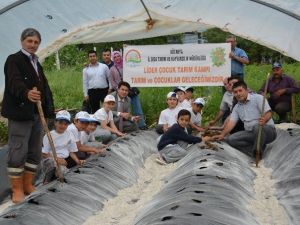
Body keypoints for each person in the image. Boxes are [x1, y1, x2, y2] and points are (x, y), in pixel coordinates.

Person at [1, 28, 54, 203]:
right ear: (22, 41)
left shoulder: (37, 63)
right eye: (29, 41)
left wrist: (47, 112)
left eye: (36, 42)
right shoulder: (14, 60)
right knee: (18, 150)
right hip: (20, 113)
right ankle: (16, 190)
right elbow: (13, 82)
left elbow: (44, 88)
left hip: (36, 114)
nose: (33, 45)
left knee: (34, 150)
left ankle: (27, 184)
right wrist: (26, 93)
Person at [212, 81, 277, 158]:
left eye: (240, 90)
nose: (238, 94)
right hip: (251, 133)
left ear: (246, 90)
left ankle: (258, 149)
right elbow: (231, 122)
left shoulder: (258, 98)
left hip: (267, 131)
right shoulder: (237, 108)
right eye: (235, 92)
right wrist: (222, 134)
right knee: (231, 139)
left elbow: (269, 113)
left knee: (257, 127)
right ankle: (256, 150)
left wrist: (264, 119)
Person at [109, 51, 147, 129]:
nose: (117, 58)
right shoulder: (112, 69)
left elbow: (134, 75)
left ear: (121, 56)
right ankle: (115, 127)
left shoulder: (127, 65)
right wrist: (120, 91)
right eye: (115, 57)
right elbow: (112, 81)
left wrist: (128, 90)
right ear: (113, 59)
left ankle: (142, 124)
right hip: (119, 91)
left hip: (130, 89)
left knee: (137, 107)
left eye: (118, 56)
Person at [42, 110, 84, 181]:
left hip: (64, 160)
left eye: (65, 124)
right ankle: (46, 181)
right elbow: (44, 153)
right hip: (51, 160)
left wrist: (78, 161)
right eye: (60, 123)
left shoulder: (69, 134)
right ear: (55, 123)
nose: (63, 126)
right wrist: (57, 159)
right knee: (56, 167)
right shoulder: (49, 136)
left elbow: (71, 151)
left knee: (78, 160)